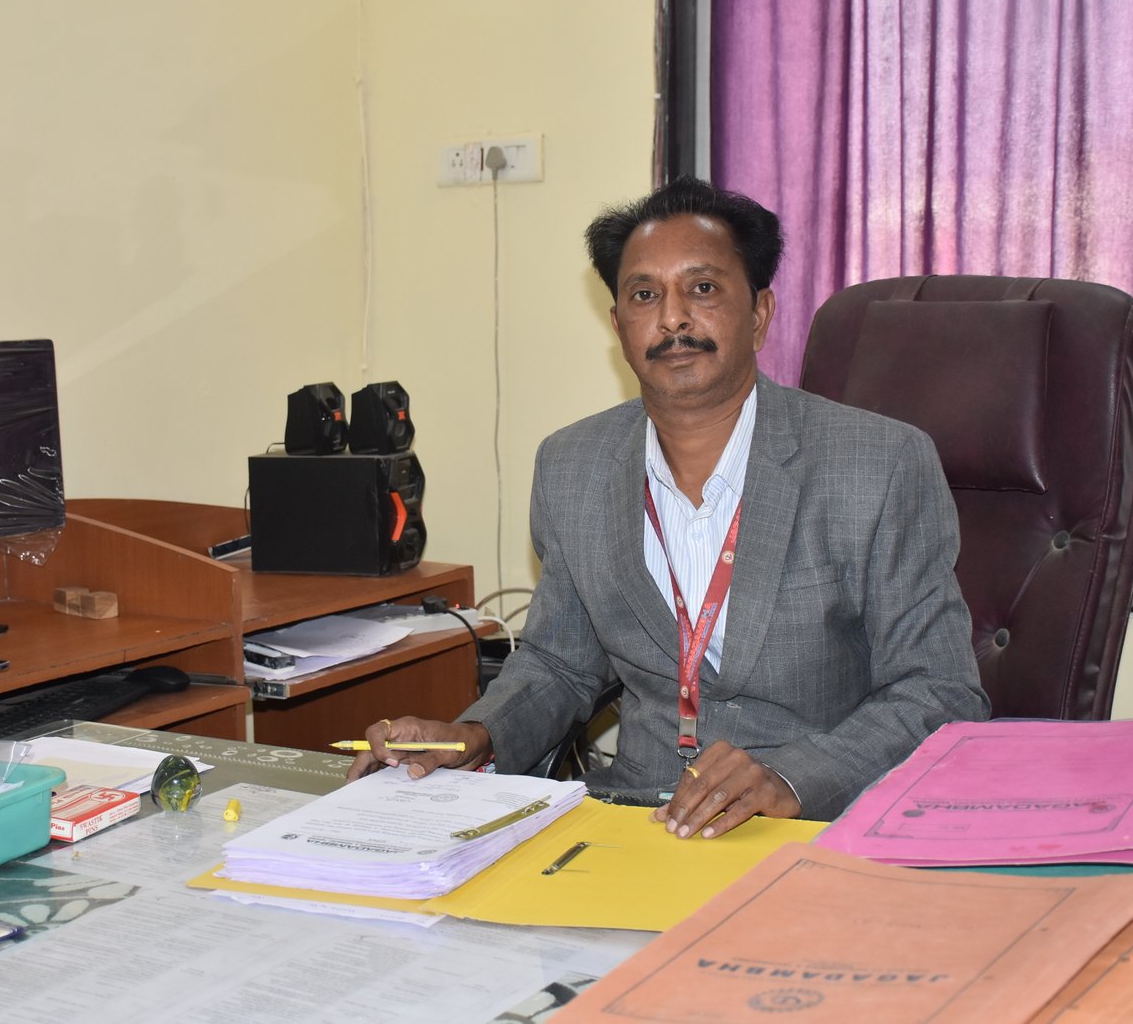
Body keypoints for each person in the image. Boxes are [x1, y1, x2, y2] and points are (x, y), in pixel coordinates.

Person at [348, 176, 989, 835]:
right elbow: (560, 664)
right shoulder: (573, 465)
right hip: (637, 823)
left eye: (703, 289)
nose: (673, 318)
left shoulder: (878, 464)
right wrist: (474, 734)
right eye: (645, 295)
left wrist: (793, 777)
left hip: (816, 827)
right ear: (619, 324)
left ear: (760, 314)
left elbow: (937, 692)